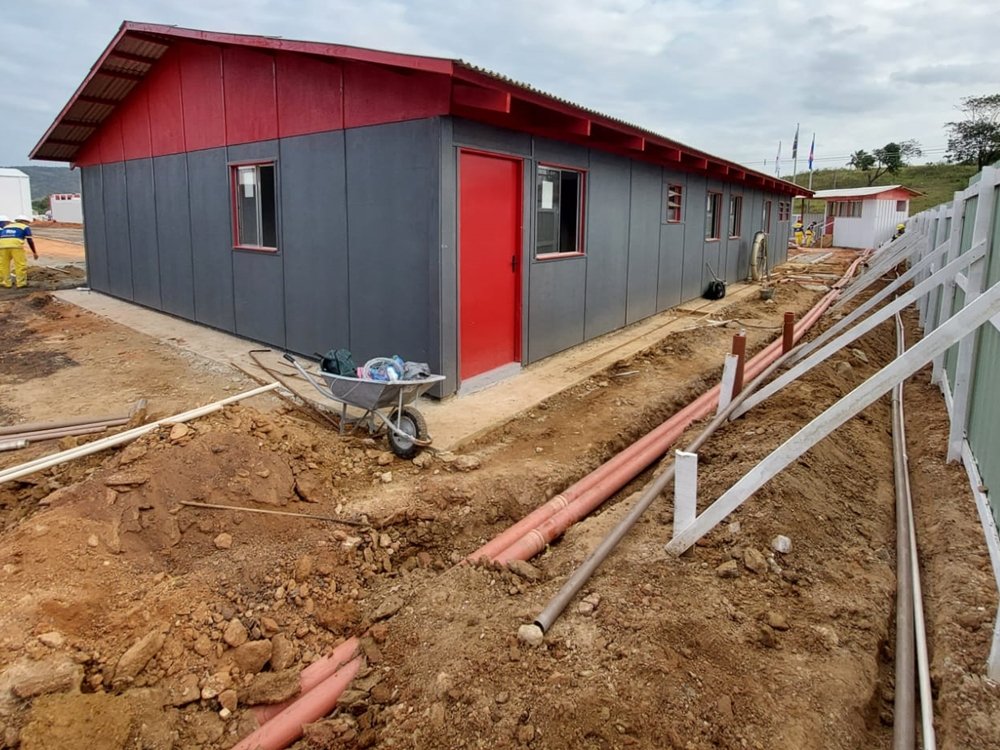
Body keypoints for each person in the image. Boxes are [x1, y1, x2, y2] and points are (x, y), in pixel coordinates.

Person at [0, 215, 38, 289]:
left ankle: (6, 283)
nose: (28, 224)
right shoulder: (25, 227)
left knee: (3, 265)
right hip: (16, 246)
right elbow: (30, 240)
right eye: (28, 222)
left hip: (2, 246)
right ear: (24, 221)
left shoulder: (7, 227)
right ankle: (21, 283)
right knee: (20, 265)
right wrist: (34, 252)